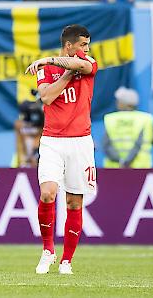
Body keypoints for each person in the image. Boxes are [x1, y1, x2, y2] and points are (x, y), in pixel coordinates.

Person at [25, 24, 98, 275]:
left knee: (74, 202)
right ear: (69, 46)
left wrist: (47, 59)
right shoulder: (49, 70)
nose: (86, 50)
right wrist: (65, 75)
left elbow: (84, 66)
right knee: (47, 193)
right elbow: (46, 97)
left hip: (80, 141)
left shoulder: (88, 62)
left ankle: (67, 260)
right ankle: (48, 250)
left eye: (87, 45)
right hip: (52, 140)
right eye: (82, 45)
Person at [102, 87, 153, 168]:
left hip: (114, 169)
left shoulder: (111, 119)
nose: (117, 102)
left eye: (119, 100)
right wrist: (127, 161)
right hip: (141, 169)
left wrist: (121, 161)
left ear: (124, 103)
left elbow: (106, 145)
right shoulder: (145, 119)